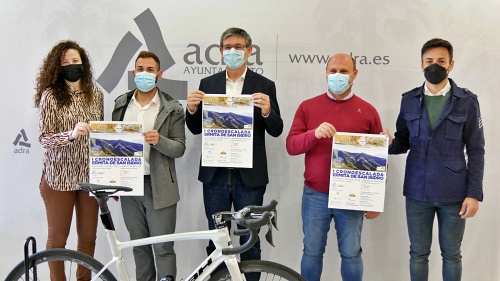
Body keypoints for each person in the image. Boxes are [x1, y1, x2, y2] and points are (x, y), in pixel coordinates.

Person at [385, 38, 485, 281]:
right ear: (421, 64)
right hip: (417, 192)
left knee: (451, 254)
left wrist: (473, 194)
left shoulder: (467, 102)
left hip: (454, 193)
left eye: (441, 61)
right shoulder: (409, 99)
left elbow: (476, 150)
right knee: (418, 253)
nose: (434, 66)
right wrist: (387, 144)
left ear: (451, 65)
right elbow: (403, 141)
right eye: (429, 61)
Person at [185, 27, 283, 266]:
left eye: (238, 47)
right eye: (228, 47)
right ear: (220, 51)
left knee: (250, 241)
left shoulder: (264, 85)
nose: (233, 51)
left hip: (249, 177)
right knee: (217, 241)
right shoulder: (207, 83)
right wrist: (191, 110)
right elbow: (196, 128)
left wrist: (268, 111)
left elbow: (277, 129)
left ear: (249, 51)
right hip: (215, 175)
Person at [286, 53, 383, 281]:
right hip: (315, 195)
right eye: (333, 71)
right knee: (311, 252)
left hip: (352, 197)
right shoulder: (307, 107)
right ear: (326, 73)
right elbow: (291, 145)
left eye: (343, 71)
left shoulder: (368, 111)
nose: (337, 75)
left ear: (354, 74)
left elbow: (378, 158)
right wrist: (314, 134)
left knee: (351, 254)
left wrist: (374, 199)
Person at [112, 51, 186, 281]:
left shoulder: (172, 108)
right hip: (129, 187)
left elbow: (179, 148)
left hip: (160, 187)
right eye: (140, 69)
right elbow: (114, 144)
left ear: (159, 74)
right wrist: (113, 180)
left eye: (150, 70)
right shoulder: (121, 104)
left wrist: (159, 141)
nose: (144, 74)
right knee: (139, 247)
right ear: (134, 73)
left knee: (162, 249)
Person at [36, 40, 103, 280]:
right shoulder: (51, 95)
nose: (71, 66)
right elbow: (44, 138)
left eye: (75, 61)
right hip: (58, 177)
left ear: (83, 63)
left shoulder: (96, 94)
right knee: (57, 241)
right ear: (57, 67)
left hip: (89, 177)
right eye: (65, 62)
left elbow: (102, 136)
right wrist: (71, 135)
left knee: (87, 238)